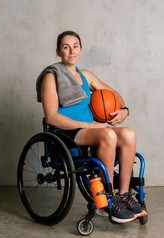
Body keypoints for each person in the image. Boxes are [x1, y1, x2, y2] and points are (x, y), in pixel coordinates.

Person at [38, 30, 147, 224]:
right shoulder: (51, 77)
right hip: (66, 132)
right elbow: (52, 117)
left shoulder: (86, 76)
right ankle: (107, 198)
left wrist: (125, 110)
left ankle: (123, 195)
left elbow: (114, 95)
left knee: (129, 134)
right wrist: (88, 125)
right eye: (65, 47)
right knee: (108, 136)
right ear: (58, 51)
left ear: (81, 49)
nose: (71, 51)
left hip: (91, 130)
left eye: (75, 46)